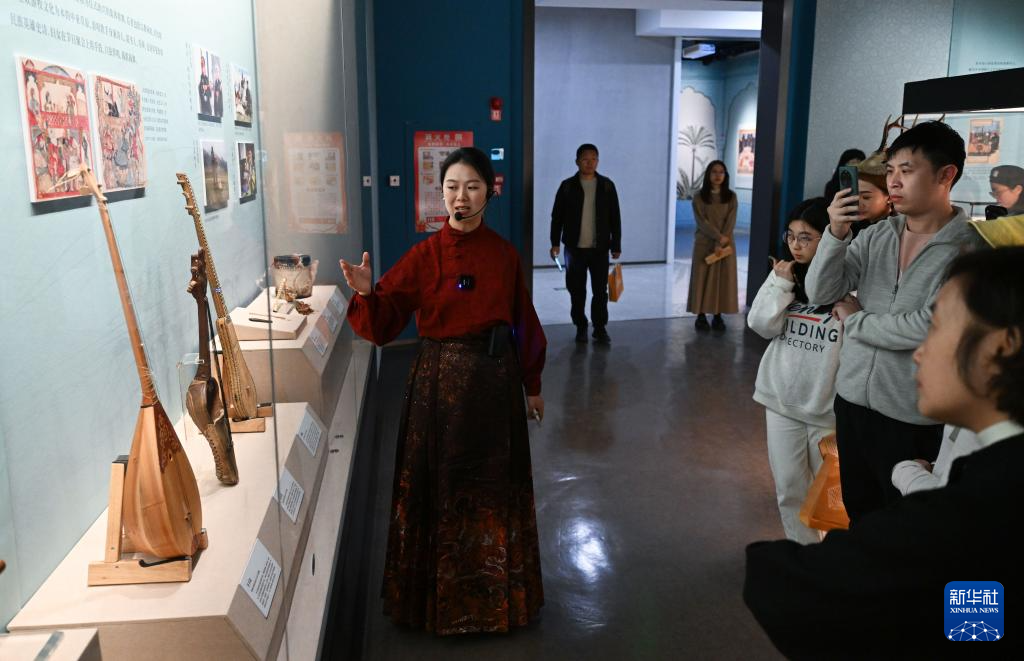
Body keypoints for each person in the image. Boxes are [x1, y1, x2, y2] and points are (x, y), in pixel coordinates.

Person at [744, 246, 1024, 657]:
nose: (920, 351)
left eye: (937, 327)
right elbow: (980, 616)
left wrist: (911, 481)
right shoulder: (986, 483)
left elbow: (783, 590)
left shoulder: (973, 514)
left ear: (1002, 346)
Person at [340, 147, 546, 635]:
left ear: (489, 191)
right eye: (452, 187)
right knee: (439, 492)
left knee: (491, 493)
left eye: (472, 187)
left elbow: (524, 321)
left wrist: (532, 385)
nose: (461, 197)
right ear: (441, 193)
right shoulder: (425, 255)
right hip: (437, 392)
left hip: (494, 388)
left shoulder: (504, 255)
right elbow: (383, 323)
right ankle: (437, 606)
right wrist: (367, 292)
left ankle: (495, 605)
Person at [806, 120, 985, 525]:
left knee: (907, 525)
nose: (894, 182)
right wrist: (836, 233)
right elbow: (820, 291)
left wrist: (855, 320)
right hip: (852, 403)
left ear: (946, 175)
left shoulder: (969, 248)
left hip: (912, 414)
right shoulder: (876, 236)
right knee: (860, 515)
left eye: (907, 170)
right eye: (890, 171)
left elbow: (928, 327)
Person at [748, 198, 842, 544]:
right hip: (781, 399)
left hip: (827, 408)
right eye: (791, 236)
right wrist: (781, 284)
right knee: (789, 487)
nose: (796, 245)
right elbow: (761, 325)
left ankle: (832, 557)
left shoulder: (848, 281)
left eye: (806, 237)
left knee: (830, 495)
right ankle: (805, 555)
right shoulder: (784, 275)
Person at [549, 143, 622, 344]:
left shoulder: (607, 186)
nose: (590, 163)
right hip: (574, 249)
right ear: (577, 162)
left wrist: (616, 244)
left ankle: (599, 328)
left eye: (594, 159)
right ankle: (580, 325)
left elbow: (615, 217)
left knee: (600, 291)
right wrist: (554, 243)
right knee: (576, 290)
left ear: (598, 161)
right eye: (585, 159)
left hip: (600, 249)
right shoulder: (567, 186)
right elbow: (557, 217)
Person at [687, 160, 738, 331]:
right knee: (701, 279)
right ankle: (701, 316)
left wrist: (720, 242)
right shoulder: (699, 197)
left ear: (725, 175)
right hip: (704, 244)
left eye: (721, 172)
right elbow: (702, 222)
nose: (718, 175)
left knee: (721, 280)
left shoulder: (731, 197)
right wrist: (718, 238)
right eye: (714, 172)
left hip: (725, 245)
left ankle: (718, 316)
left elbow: (730, 222)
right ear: (708, 174)